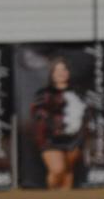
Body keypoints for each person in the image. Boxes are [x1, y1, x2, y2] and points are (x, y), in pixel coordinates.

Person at [28, 56, 82, 191]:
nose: (61, 73)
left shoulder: (78, 92)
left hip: (73, 139)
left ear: (68, 72)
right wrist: (53, 122)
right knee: (58, 170)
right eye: (57, 70)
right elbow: (37, 113)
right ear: (52, 74)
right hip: (50, 139)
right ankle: (52, 197)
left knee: (68, 172)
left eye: (64, 69)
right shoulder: (44, 94)